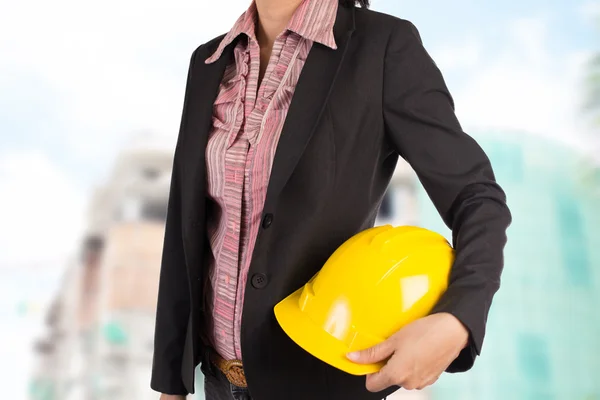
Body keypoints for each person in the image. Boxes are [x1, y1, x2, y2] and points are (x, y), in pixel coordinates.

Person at [150, 0, 512, 399]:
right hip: (216, 382)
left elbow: (476, 196)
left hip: (320, 380)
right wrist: (172, 384)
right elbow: (186, 224)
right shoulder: (209, 60)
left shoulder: (384, 46)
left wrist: (458, 318)